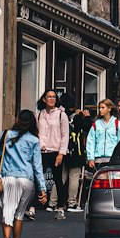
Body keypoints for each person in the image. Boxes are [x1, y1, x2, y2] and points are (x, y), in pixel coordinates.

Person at [0, 109, 46, 238]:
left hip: (9, 177)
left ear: (17, 120)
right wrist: (42, 188)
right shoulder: (34, 140)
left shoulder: (6, 135)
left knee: (7, 213)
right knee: (19, 214)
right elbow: (37, 166)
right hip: (27, 179)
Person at [37, 89, 71, 219]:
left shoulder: (61, 115)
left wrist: (61, 153)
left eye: (53, 97)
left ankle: (61, 208)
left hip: (56, 151)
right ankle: (33, 206)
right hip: (41, 151)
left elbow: (65, 135)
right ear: (44, 99)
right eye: (48, 97)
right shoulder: (39, 114)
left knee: (58, 180)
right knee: (38, 179)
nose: (51, 99)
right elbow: (38, 133)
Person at [67, 105, 92, 210]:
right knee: (74, 177)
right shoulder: (77, 118)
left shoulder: (62, 115)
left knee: (61, 177)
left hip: (65, 150)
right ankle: (72, 202)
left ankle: (53, 202)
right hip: (76, 152)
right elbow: (87, 126)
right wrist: (86, 117)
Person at [86, 98, 120, 171]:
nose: (100, 110)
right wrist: (91, 158)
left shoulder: (117, 123)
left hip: (112, 159)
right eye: (99, 108)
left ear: (109, 109)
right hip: (98, 160)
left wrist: (119, 158)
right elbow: (91, 141)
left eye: (103, 107)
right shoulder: (96, 124)